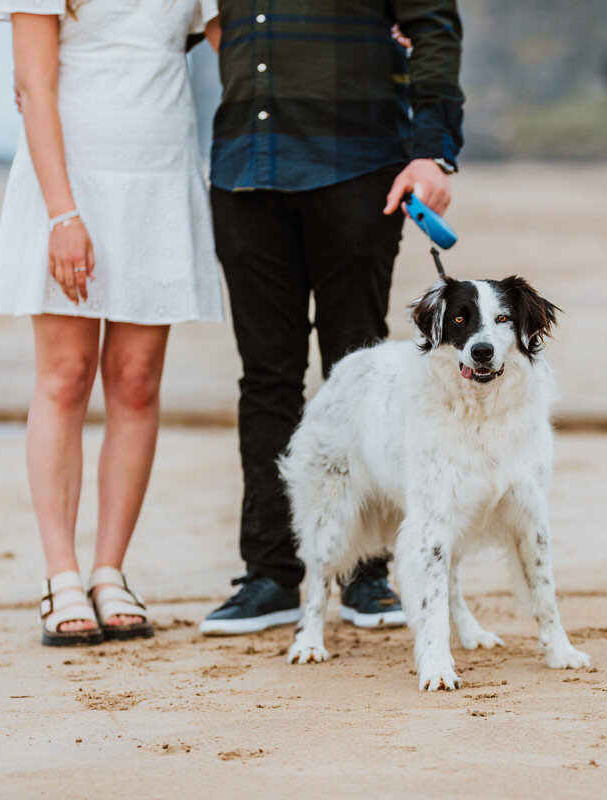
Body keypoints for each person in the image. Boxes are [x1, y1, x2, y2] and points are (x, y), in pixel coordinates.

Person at [197, 1, 464, 635]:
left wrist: (433, 152)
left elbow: (435, 26)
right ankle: (271, 575)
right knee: (266, 377)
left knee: (364, 374)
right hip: (244, 174)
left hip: (358, 166)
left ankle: (366, 574)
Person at [0, 0, 224, 646]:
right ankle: (61, 575)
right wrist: (63, 215)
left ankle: (109, 570)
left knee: (137, 382)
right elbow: (35, 85)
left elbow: (242, 45)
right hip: (70, 182)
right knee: (66, 378)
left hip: (160, 179)